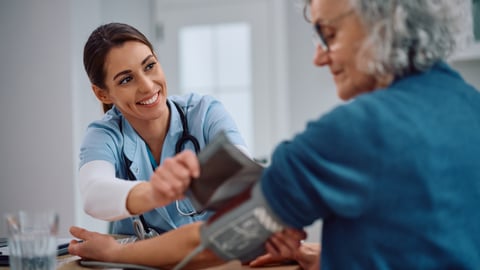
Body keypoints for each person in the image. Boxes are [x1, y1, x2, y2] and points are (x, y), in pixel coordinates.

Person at [69, 0, 480, 269]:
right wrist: (327, 257)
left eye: (328, 35)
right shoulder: (471, 105)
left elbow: (215, 242)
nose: (318, 56)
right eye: (126, 79)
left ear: (382, 25)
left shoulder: (347, 134)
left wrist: (116, 251)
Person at [78, 22, 248, 237]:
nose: (148, 86)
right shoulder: (104, 134)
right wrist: (156, 192)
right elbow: (94, 193)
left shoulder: (204, 113)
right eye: (126, 79)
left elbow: (241, 169)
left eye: (149, 66)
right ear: (103, 94)